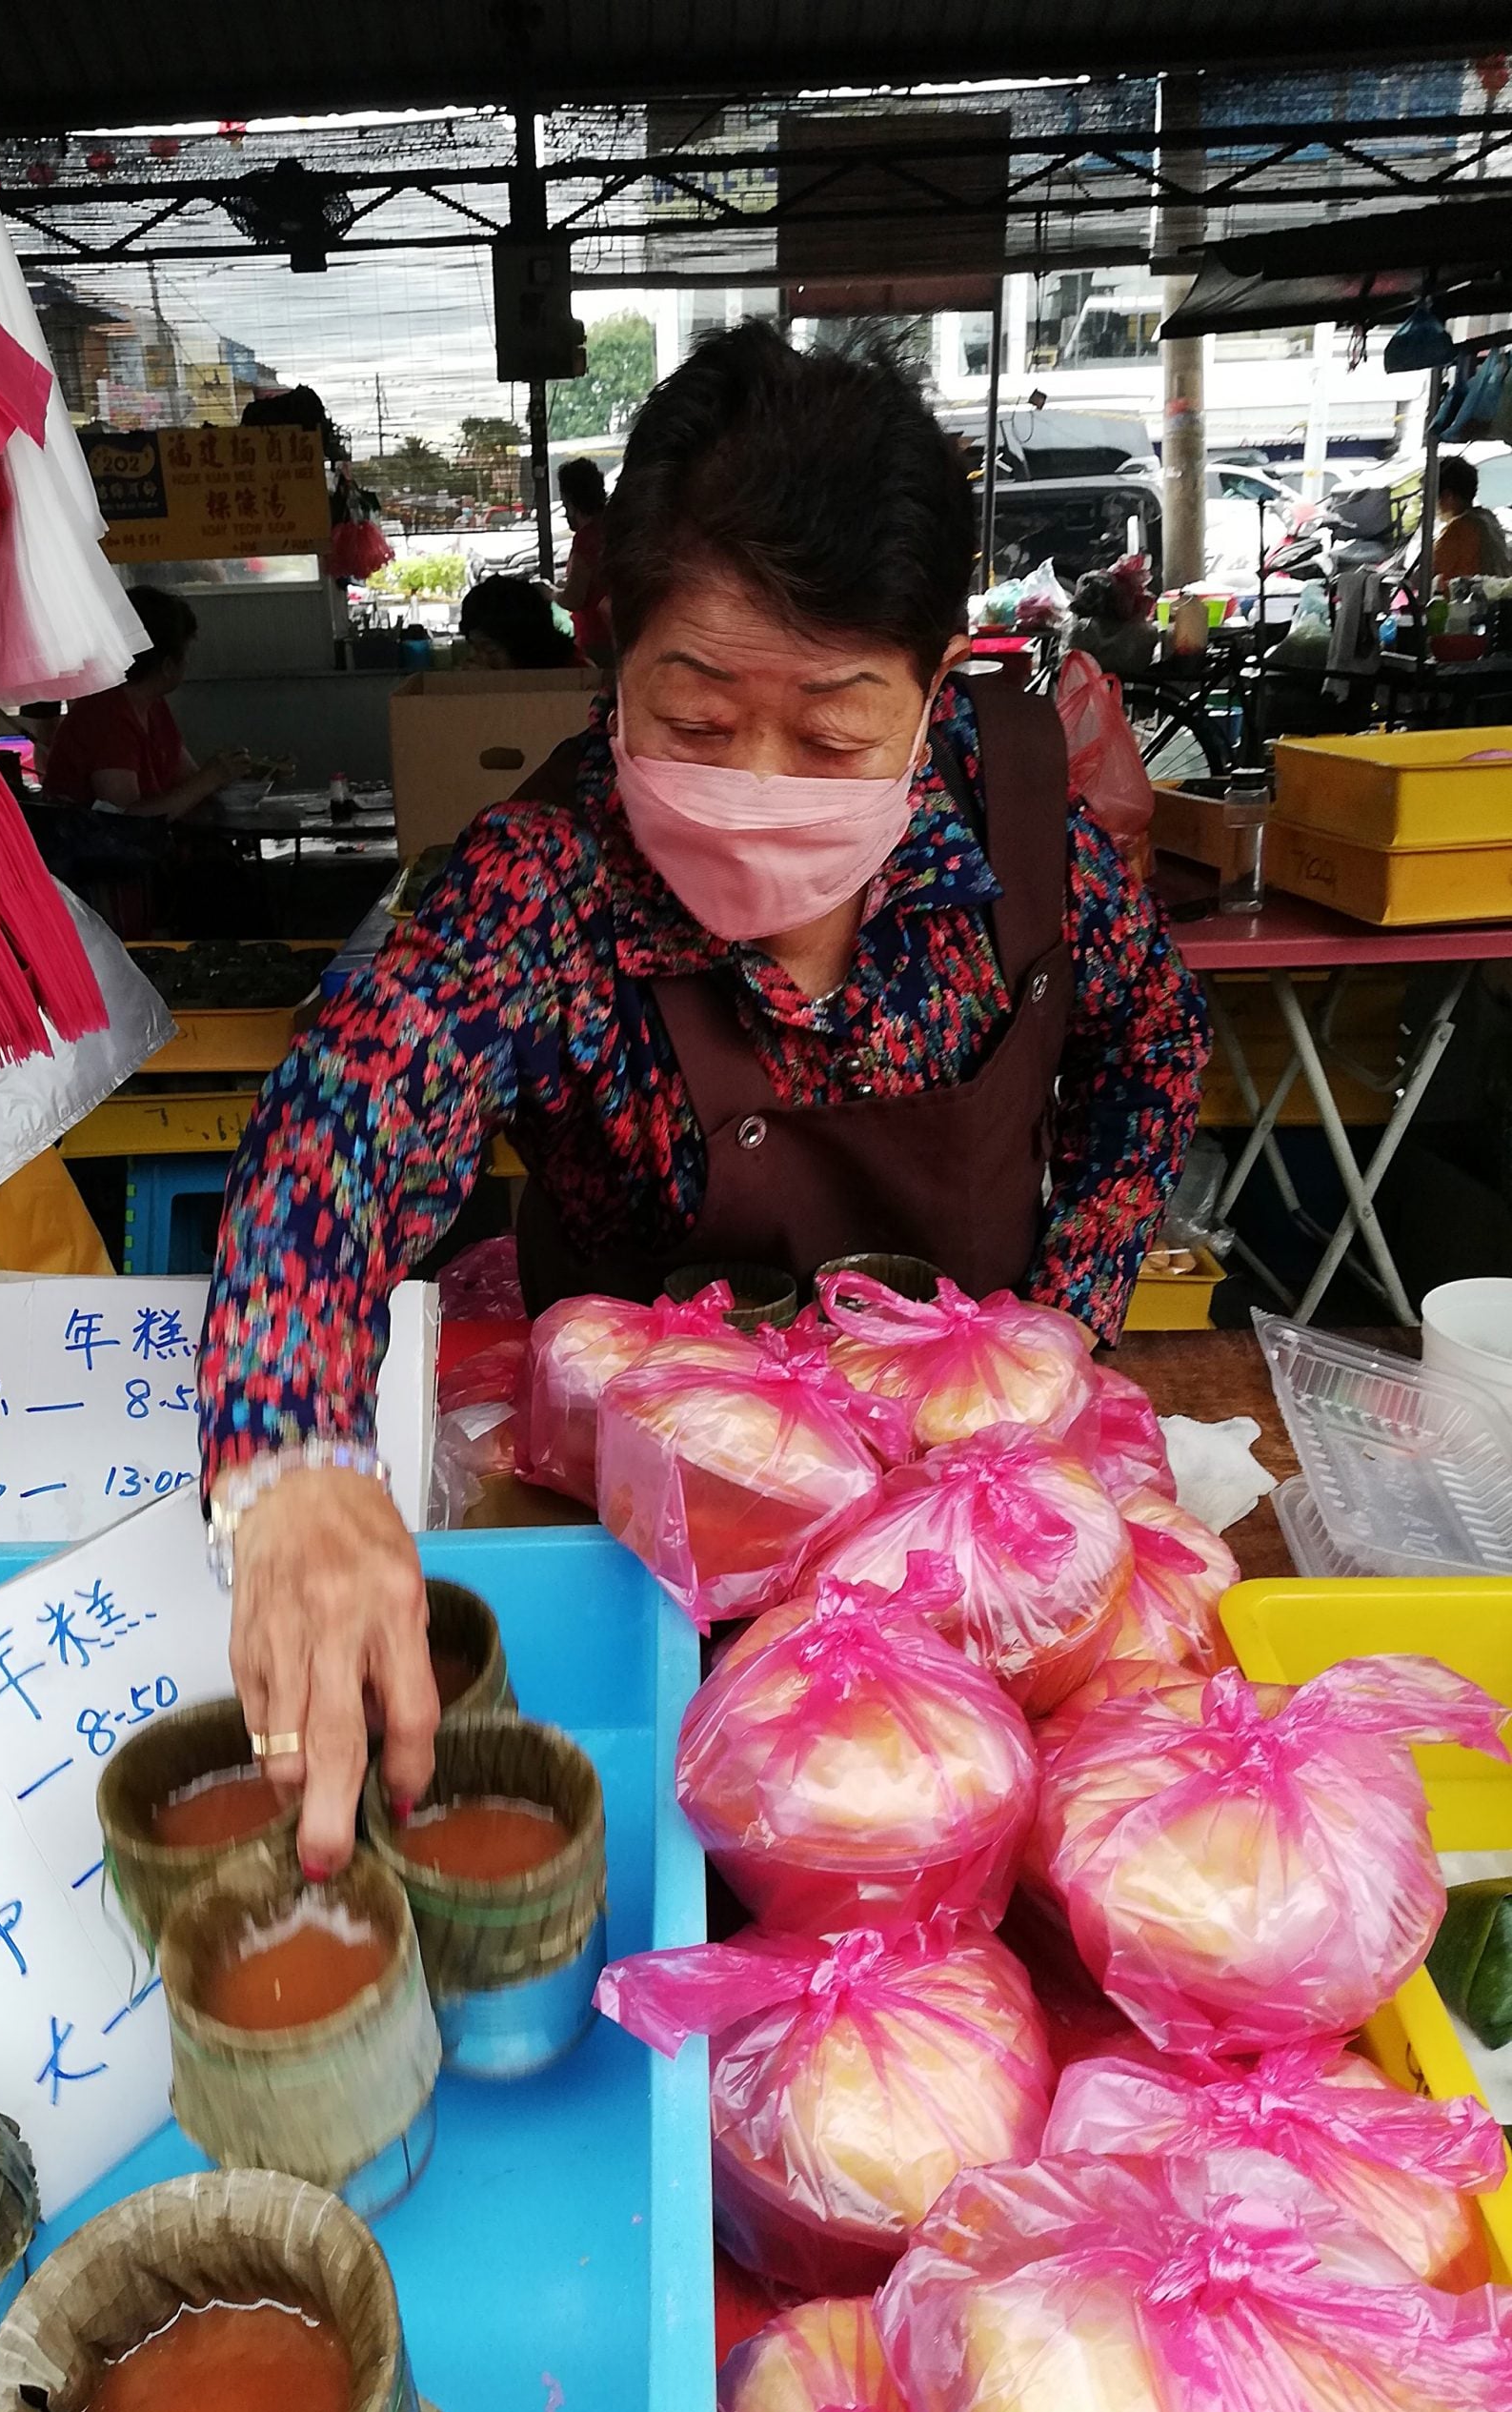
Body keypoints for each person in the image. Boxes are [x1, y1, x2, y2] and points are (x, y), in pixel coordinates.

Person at [197, 322, 1211, 1875]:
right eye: (695, 721)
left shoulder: (1029, 852)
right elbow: (338, 1134)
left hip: (976, 1565)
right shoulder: (540, 887)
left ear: (937, 681)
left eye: (830, 731)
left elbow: (1151, 1059)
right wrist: (289, 1462)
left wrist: (1068, 1315)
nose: (762, 780)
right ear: (615, 655)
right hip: (636, 1564)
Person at [43, 585, 249, 817]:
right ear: (168, 666)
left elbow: (188, 779)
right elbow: (128, 820)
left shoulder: (151, 705)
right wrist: (210, 778)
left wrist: (244, 773)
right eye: (187, 651)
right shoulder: (106, 716)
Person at [459, 575, 582, 671]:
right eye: (472, 647)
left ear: (525, 646)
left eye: (490, 650)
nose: (476, 658)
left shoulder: (575, 679)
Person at [555, 456, 613, 663]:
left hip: (597, 641)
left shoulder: (586, 539)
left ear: (571, 502)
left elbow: (574, 598)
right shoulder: (612, 528)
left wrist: (549, 593)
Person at [1432, 456, 1512, 583]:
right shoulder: (1487, 519)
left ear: (1448, 496)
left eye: (1431, 497)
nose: (1431, 505)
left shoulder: (1456, 530)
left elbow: (1430, 572)